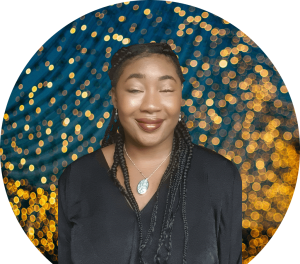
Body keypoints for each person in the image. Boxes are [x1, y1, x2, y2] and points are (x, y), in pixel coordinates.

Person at [58, 42, 242, 264]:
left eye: (165, 90)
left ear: (180, 98)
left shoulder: (220, 177)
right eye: (135, 90)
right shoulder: (76, 178)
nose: (151, 106)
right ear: (115, 97)